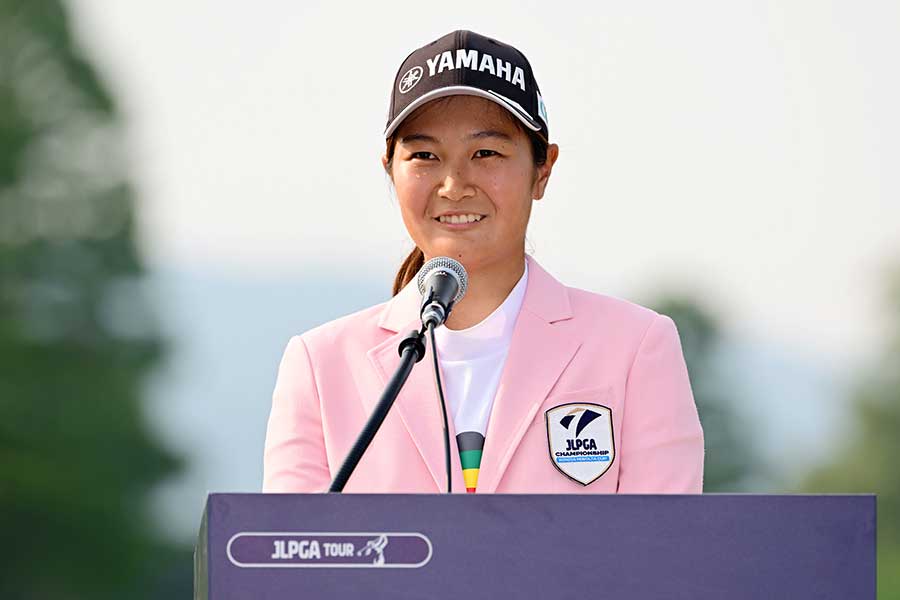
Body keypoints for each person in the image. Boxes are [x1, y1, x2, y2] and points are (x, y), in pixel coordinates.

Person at [263, 30, 704, 494]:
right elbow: (293, 559)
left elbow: (664, 554)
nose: (454, 184)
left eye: (486, 153)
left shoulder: (634, 349)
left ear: (543, 169)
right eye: (425, 155)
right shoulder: (320, 365)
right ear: (389, 170)